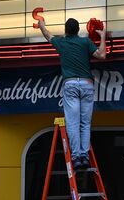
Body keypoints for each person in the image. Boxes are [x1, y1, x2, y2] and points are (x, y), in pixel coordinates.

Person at [37, 16, 106, 170]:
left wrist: (42, 24)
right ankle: (85, 156)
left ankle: (76, 157)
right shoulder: (85, 42)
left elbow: (47, 35)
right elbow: (102, 55)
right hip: (87, 85)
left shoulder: (61, 42)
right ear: (77, 30)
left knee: (73, 123)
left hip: (70, 85)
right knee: (85, 123)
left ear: (66, 30)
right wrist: (102, 37)